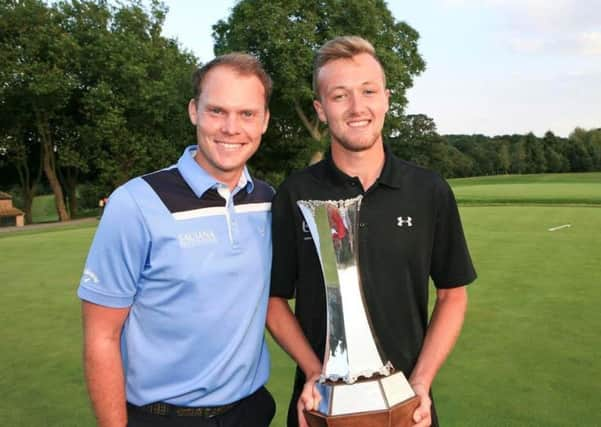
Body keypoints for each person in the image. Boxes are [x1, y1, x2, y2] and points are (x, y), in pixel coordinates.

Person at [267, 36, 477, 427]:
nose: (357, 107)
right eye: (340, 95)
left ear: (386, 99)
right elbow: (273, 299)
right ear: (321, 109)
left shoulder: (429, 191)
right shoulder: (295, 193)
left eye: (368, 91)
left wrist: (422, 381)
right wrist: (315, 371)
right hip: (318, 407)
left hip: (409, 408)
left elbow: (452, 295)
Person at [78, 53, 276, 427]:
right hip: (161, 418)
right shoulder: (135, 202)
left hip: (251, 413)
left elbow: (276, 304)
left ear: (264, 120)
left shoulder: (267, 201)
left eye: (247, 114)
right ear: (193, 112)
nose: (231, 128)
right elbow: (101, 336)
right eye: (217, 110)